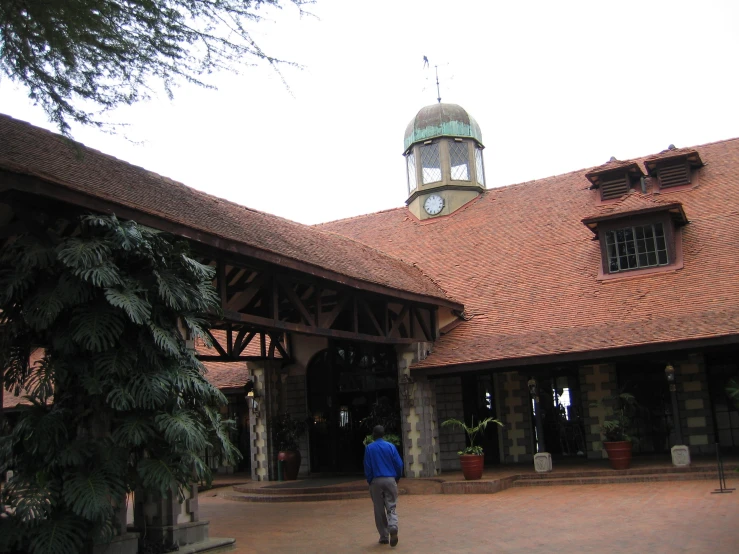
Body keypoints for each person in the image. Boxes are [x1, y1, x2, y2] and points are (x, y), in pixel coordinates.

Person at [363, 425, 403, 547]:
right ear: (383, 434)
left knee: (379, 509)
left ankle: (384, 536)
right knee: (391, 506)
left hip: (376, 480)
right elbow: (399, 464)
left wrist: (370, 480)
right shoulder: (390, 446)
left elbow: (367, 466)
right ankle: (393, 526)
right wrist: (396, 478)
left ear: (374, 434)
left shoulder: (369, 448)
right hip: (390, 479)